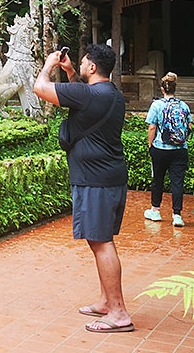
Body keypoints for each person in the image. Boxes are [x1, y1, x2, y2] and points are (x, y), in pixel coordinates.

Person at [34, 44, 134, 334]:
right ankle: (106, 301)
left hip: (95, 180)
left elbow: (40, 88)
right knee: (98, 240)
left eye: (82, 63)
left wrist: (49, 65)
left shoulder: (90, 95)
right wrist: (69, 72)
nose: (78, 66)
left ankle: (118, 312)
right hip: (108, 176)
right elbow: (82, 100)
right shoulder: (112, 94)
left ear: (91, 67)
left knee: (101, 242)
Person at [144, 72, 192, 227]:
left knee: (157, 179)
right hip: (180, 149)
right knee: (177, 182)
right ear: (175, 88)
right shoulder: (183, 106)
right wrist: (182, 141)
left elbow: (152, 127)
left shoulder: (156, 105)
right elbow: (189, 127)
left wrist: (150, 145)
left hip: (160, 148)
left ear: (162, 89)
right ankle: (177, 215)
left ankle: (155, 210)